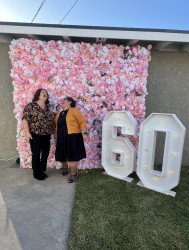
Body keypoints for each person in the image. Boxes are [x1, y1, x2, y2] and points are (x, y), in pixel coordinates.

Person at [22, 89, 54, 180]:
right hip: (35, 134)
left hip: (46, 134)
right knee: (36, 154)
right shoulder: (31, 106)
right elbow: (25, 119)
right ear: (38, 95)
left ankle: (41, 170)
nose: (45, 94)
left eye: (46, 93)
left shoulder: (48, 106)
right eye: (43, 93)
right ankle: (36, 173)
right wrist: (27, 132)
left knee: (45, 153)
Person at [55, 97, 88, 183]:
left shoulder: (74, 110)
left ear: (70, 102)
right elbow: (55, 125)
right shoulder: (59, 113)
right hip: (61, 137)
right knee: (62, 154)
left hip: (73, 137)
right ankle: (65, 167)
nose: (62, 101)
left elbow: (82, 122)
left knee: (72, 157)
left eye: (64, 100)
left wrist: (84, 133)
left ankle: (73, 174)